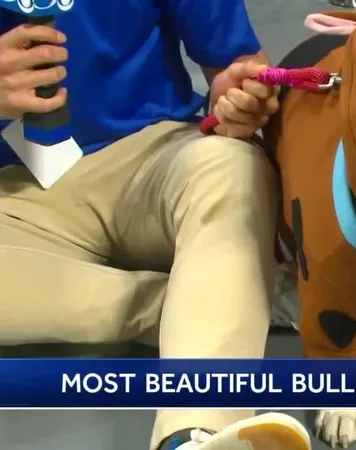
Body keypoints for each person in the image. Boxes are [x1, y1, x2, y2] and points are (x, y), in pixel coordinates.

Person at [0, 2, 309, 450]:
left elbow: (238, 66)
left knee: (232, 166)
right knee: (220, 272)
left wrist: (241, 97)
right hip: (12, 197)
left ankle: (194, 433)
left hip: (151, 156)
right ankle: (208, 300)